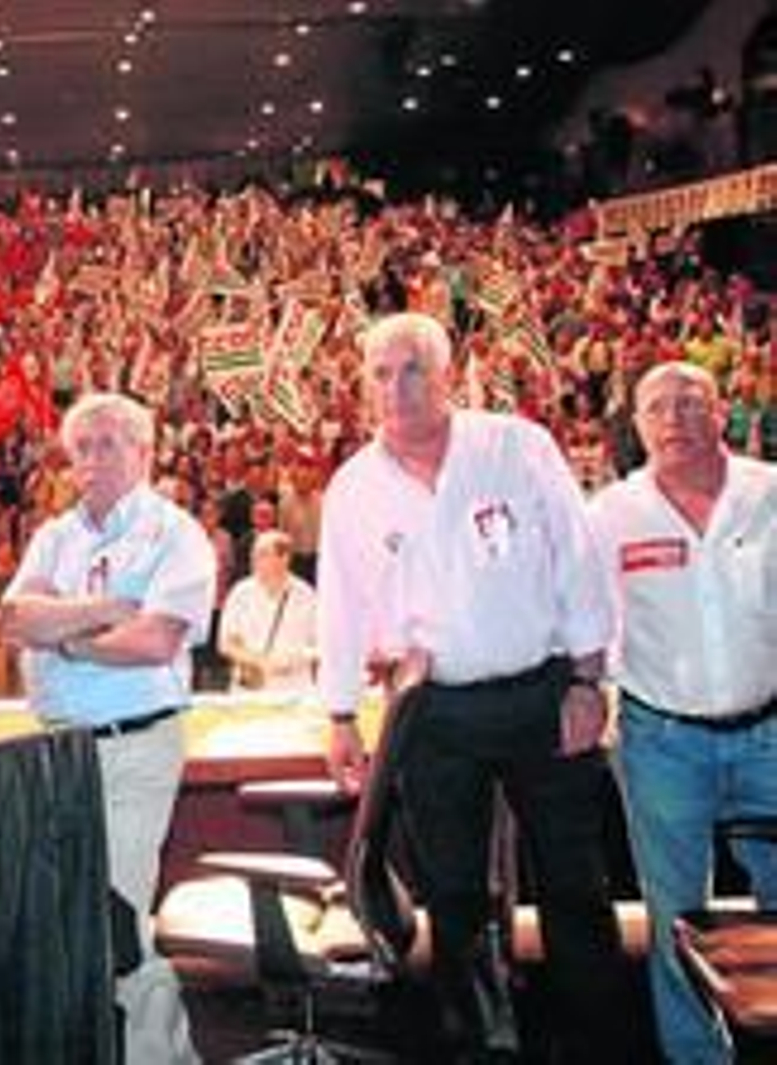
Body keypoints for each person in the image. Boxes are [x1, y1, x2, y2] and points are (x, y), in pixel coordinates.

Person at [317, 313, 635, 1062]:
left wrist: (589, 678)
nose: (397, 387)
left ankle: (593, 1045)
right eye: (381, 373)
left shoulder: (517, 446)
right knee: (455, 897)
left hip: (544, 693)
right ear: (362, 385)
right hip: (436, 712)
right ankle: (479, 1046)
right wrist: (338, 713)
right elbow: (342, 605)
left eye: (414, 368)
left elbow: (579, 561)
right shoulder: (354, 487)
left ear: (449, 373)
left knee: (575, 885)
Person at [1, 391, 215, 1064]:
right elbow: (11, 621)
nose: (91, 459)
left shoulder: (174, 532)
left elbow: (154, 640)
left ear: (144, 452)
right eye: (81, 447)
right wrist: (103, 612)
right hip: (56, 750)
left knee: (117, 919)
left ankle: (163, 1055)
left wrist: (62, 633)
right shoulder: (55, 535)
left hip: (134, 746)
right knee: (71, 921)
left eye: (108, 443)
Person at [588, 361, 777, 1064]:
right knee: (677, 918)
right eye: (657, 407)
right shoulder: (610, 514)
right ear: (636, 426)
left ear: (721, 411)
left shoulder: (771, 492)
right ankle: (700, 1056)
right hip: (661, 740)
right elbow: (585, 619)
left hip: (770, 731)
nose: (674, 418)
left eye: (689, 403)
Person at [216, 529, 318, 694]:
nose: (254, 559)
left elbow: (321, 644)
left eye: (262, 554)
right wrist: (260, 661)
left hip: (296, 689)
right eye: (254, 554)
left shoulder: (306, 595)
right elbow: (226, 644)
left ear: (284, 558)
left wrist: (296, 659)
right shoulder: (240, 593)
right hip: (250, 690)